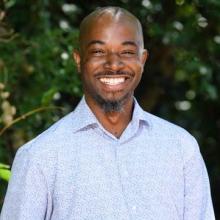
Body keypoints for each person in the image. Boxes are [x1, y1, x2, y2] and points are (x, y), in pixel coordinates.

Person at [0, 6, 215, 220]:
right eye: (98, 51)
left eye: (127, 52)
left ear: (143, 60)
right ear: (78, 59)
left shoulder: (180, 148)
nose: (113, 65)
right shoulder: (40, 157)